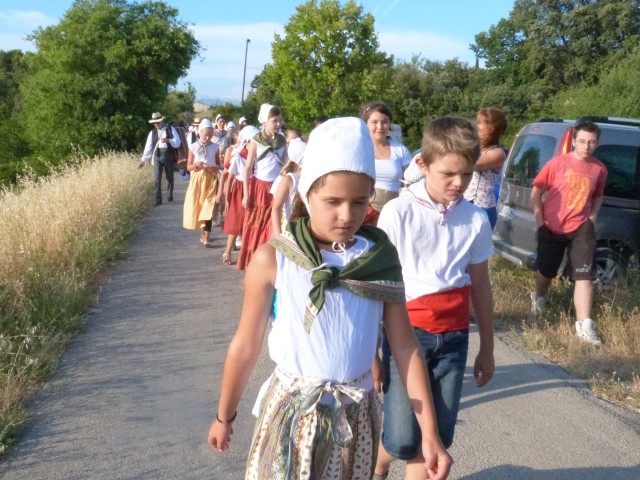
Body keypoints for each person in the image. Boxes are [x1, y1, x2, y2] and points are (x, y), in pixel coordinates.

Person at [208, 117, 452, 480]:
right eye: (333, 201)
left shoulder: (379, 260)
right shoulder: (275, 258)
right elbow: (245, 345)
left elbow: (405, 347)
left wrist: (429, 433)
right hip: (291, 415)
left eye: (358, 202)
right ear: (306, 194)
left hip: (354, 420)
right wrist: (224, 416)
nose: (346, 214)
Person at [373, 116, 495, 480]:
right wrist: (371, 355)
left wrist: (486, 346)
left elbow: (481, 286)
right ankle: (379, 465)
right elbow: (378, 285)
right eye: (449, 175)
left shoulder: (475, 219)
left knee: (436, 438)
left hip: (454, 337)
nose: (459, 184)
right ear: (423, 165)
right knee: (402, 435)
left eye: (467, 175)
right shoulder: (398, 212)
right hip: (405, 334)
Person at [530, 120, 607, 346]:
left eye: (591, 142)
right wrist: (539, 222)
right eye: (582, 141)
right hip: (552, 226)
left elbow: (598, 196)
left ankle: (585, 325)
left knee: (585, 276)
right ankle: (539, 299)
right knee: (546, 271)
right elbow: (536, 192)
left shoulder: (599, 169)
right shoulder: (557, 164)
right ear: (574, 141)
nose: (586, 146)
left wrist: (591, 219)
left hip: (581, 228)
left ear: (597, 144)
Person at [237, 103, 287, 270]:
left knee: (273, 225)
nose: (278, 124)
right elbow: (248, 168)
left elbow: (285, 164)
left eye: (280, 120)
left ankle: (270, 261)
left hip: (277, 187)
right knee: (256, 226)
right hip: (259, 188)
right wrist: (246, 193)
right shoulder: (255, 141)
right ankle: (253, 261)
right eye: (275, 121)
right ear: (265, 122)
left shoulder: (282, 140)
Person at [360, 101, 412, 225]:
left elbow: (411, 180)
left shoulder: (400, 150)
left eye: (384, 121)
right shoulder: (359, 148)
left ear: (390, 124)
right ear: (366, 123)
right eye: (374, 122)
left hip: (395, 213)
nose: (380, 126)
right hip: (364, 212)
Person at [463, 107, 508, 229]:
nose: (476, 126)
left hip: (482, 208)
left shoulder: (497, 153)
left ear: (491, 128)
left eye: (479, 123)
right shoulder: (476, 148)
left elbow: (472, 163)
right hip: (465, 203)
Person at [220, 125, 259, 264]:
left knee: (251, 222)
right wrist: (228, 198)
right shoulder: (238, 157)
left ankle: (248, 253)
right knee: (235, 221)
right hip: (239, 190)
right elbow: (229, 178)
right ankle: (228, 251)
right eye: (253, 142)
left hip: (253, 189)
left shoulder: (258, 158)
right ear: (246, 142)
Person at [182, 119, 221, 246]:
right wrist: (195, 165)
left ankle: (207, 236)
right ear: (200, 133)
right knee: (200, 206)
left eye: (210, 135)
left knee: (208, 207)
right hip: (198, 179)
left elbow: (218, 164)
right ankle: (203, 233)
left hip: (211, 179)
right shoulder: (193, 147)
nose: (208, 137)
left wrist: (215, 167)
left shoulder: (215, 147)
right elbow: (188, 167)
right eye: (206, 135)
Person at [139, 112, 182, 205]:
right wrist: (143, 160)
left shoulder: (170, 129)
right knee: (157, 179)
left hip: (168, 155)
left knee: (169, 177)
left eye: (158, 122)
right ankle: (158, 200)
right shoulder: (152, 133)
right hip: (157, 156)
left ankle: (170, 195)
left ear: (162, 121)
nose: (156, 124)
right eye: (155, 123)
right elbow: (148, 147)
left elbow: (178, 142)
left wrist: (168, 140)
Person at [270, 137, 306, 236]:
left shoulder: (312, 179)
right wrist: (278, 235)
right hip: (289, 232)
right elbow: (276, 208)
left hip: (307, 231)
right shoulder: (290, 179)